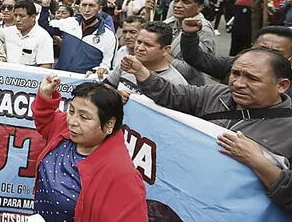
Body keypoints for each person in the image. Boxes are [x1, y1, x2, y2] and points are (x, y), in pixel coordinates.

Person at [121, 47, 292, 215]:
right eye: (235, 73)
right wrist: (141, 74)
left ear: (282, 85)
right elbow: (173, 95)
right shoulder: (215, 94)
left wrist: (258, 162)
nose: (238, 84)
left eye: (252, 79)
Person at [33, 77, 147, 221]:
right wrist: (45, 94)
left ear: (109, 124)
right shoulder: (66, 128)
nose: (73, 122)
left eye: (84, 117)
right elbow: (46, 121)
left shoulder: (123, 177)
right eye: (71, 111)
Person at [181, 24, 292, 85]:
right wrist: (189, 35)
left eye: (276, 52)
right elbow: (196, 58)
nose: (240, 85)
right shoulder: (232, 64)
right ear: (252, 46)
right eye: (262, 49)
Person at [39, 0, 117, 75]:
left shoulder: (109, 35)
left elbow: (107, 65)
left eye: (91, 5)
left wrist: (99, 71)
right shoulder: (69, 23)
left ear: (99, 9)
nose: (87, 9)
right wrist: (45, 6)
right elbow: (45, 26)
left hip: (84, 84)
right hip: (59, 79)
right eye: (84, 5)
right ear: (79, 7)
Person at [106, 22, 186, 100]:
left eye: (148, 45)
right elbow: (103, 88)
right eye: (139, 42)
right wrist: (115, 94)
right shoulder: (127, 64)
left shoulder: (176, 83)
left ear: (165, 50)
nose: (140, 48)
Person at [163, 0, 216, 86]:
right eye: (176, 0)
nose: (178, 5)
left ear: (199, 7)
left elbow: (190, 71)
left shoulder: (203, 29)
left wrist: (162, 54)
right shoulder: (170, 22)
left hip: (186, 91)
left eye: (186, 2)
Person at [0, 0, 54, 68]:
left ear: (33, 17)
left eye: (21, 16)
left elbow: (46, 66)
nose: (17, 19)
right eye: (15, 15)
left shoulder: (44, 37)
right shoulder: (8, 31)